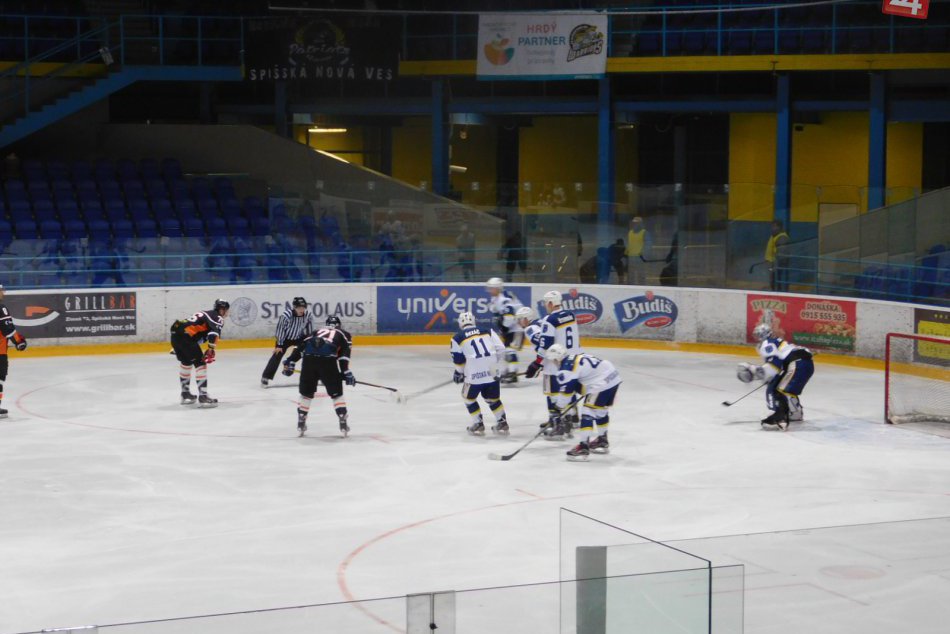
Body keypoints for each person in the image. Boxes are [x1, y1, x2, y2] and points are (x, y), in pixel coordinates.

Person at [546, 344, 622, 461]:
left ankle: (583, 447)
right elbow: (580, 384)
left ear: (556, 358)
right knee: (600, 410)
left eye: (553, 360)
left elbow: (566, 393)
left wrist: (557, 408)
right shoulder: (575, 357)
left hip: (601, 383)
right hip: (613, 376)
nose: (554, 363)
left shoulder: (565, 369)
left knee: (588, 411)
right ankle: (602, 441)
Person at [524, 290, 581, 439]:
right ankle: (570, 420)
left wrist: (537, 364)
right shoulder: (571, 315)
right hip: (574, 360)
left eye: (545, 303)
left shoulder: (549, 320)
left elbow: (545, 345)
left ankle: (557, 425)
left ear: (550, 303)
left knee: (553, 393)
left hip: (556, 362)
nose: (545, 306)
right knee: (568, 390)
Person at [738, 321, 815, 430]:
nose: (757, 337)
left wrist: (755, 371)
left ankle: (779, 418)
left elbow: (774, 364)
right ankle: (795, 413)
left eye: (758, 334)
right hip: (806, 364)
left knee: (778, 391)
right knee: (785, 389)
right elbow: (778, 365)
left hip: (797, 363)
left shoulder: (767, 344)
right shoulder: (777, 341)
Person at [295, 315, 355, 438]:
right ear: (339, 325)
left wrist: (290, 361)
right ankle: (342, 417)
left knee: (306, 394)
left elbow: (301, 346)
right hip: (328, 362)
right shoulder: (344, 334)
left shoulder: (317, 331)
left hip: (308, 361)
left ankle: (301, 419)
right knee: (336, 394)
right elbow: (344, 354)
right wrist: (345, 371)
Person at [451, 311, 508, 436]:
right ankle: (502, 421)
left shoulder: (457, 338)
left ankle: (478, 423)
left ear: (461, 323)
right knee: (492, 398)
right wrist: (494, 363)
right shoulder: (488, 331)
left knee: (468, 397)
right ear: (474, 321)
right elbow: (501, 348)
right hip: (492, 371)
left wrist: (459, 373)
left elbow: (459, 360)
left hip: (474, 375)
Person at [170, 299, 229, 407]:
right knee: (200, 364)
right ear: (222, 310)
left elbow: (195, 333)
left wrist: (178, 347)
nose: (226, 313)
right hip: (186, 337)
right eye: (226, 310)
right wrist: (211, 348)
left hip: (176, 332)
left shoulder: (205, 314)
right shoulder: (218, 317)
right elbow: (214, 333)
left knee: (186, 363)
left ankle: (185, 395)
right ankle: (203, 397)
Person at [261, 297, 314, 386]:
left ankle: (289, 362)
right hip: (285, 338)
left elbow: (310, 331)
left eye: (303, 307)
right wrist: (280, 345)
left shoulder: (308, 315)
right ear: (294, 307)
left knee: (307, 351)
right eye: (299, 308)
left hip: (299, 337)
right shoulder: (286, 315)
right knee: (277, 355)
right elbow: (280, 330)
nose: (302, 310)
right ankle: (266, 377)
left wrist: (309, 342)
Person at [485, 277, 524, 383]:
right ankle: (510, 370)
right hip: (511, 328)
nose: (489, 290)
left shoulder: (504, 299)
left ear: (498, 288)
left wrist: (504, 327)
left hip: (516, 328)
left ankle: (513, 373)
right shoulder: (496, 299)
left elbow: (509, 316)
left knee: (510, 350)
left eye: (491, 288)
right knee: (506, 350)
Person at [0, 284, 28, 418]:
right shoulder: (1, 308)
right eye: (1, 290)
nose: (3, 293)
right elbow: (8, 330)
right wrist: (19, 342)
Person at [764, 220, 790, 291]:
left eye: (774, 226)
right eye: (772, 226)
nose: (772, 228)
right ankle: (774, 290)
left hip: (775, 263)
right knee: (772, 279)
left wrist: (776, 265)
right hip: (771, 262)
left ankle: (777, 292)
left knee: (776, 280)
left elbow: (782, 253)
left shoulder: (782, 238)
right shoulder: (774, 235)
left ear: (779, 227)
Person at [625, 216, 651, 285]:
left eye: (636, 223)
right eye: (634, 223)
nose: (635, 224)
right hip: (631, 257)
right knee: (630, 277)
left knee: (641, 276)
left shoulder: (644, 232)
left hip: (639, 258)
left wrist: (643, 255)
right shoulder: (630, 232)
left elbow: (648, 245)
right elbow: (628, 244)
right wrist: (626, 253)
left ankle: (642, 289)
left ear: (640, 223)